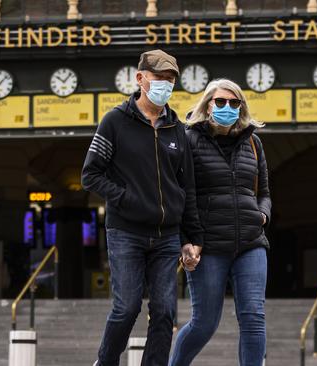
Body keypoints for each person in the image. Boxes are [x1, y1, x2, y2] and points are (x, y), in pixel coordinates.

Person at [81, 49, 203, 366]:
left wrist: (192, 238)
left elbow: (187, 188)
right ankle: (106, 361)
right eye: (159, 78)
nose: (165, 85)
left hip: (166, 236)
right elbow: (90, 175)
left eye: (170, 81)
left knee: (165, 312)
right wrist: (126, 198)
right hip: (126, 232)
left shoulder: (177, 130)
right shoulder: (114, 122)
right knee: (127, 308)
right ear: (140, 79)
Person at [169, 79, 272, 366]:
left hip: (250, 244)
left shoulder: (253, 142)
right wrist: (186, 240)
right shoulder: (189, 140)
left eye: (234, 103)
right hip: (209, 245)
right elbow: (180, 195)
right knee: (204, 323)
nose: (228, 107)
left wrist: (262, 215)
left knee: (254, 318)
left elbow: (263, 192)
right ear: (208, 104)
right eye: (221, 102)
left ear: (241, 107)